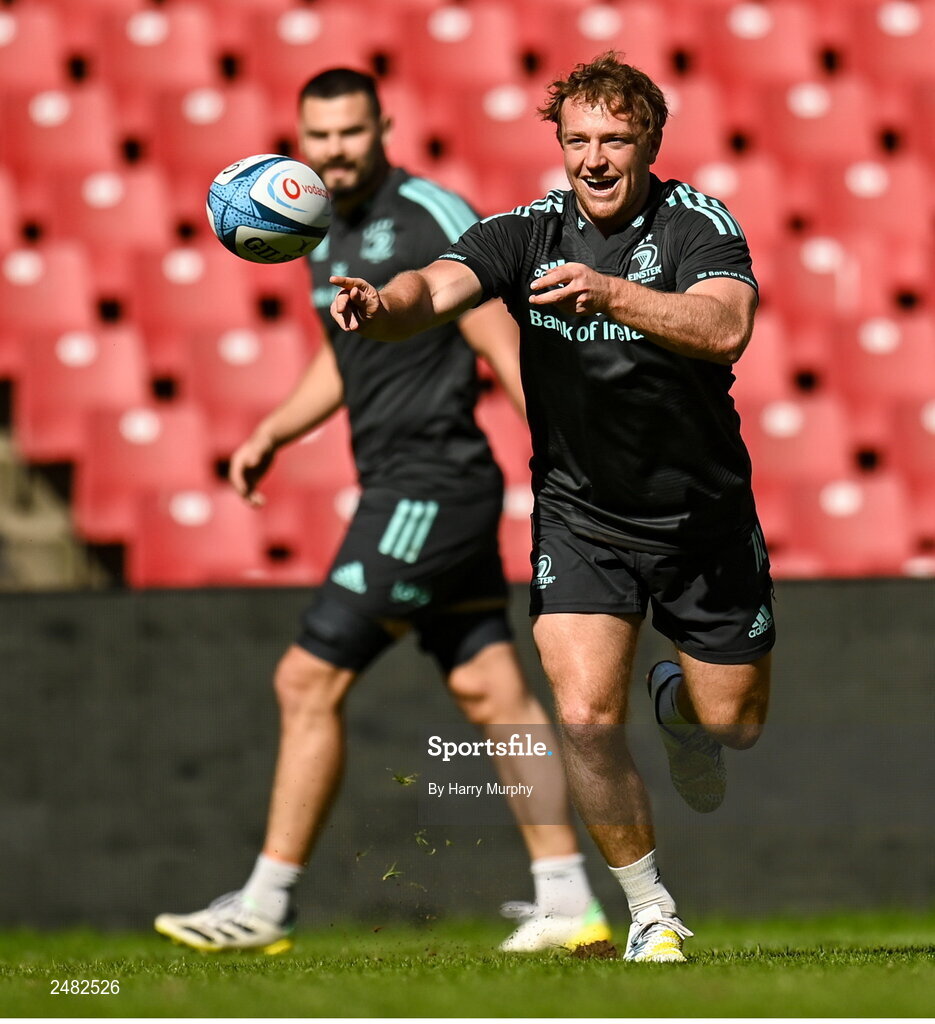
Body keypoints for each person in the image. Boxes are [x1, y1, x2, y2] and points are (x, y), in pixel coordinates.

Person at [327, 52, 776, 964]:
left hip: (701, 521)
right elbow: (435, 288)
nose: (595, 158)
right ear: (559, 145)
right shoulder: (526, 232)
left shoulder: (696, 225)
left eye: (615, 138)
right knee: (578, 718)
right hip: (580, 518)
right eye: (578, 139)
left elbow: (725, 325)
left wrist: (611, 291)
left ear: (650, 140)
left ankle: (683, 709)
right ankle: (650, 909)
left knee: (734, 723)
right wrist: (383, 304)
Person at [154, 68, 608, 956]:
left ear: (383, 125)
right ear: (300, 136)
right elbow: (340, 356)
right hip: (414, 486)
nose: (333, 151)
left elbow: (498, 340)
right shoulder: (316, 226)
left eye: (350, 133)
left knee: (304, 680)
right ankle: (569, 903)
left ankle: (266, 903)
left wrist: (566, 460)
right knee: (493, 692)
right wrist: (273, 431)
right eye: (318, 136)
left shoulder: (431, 217)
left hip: (428, 489)